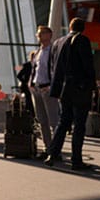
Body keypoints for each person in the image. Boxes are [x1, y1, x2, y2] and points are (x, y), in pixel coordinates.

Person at [44, 18, 95, 171]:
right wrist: (92, 86)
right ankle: (76, 160)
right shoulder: (82, 40)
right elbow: (88, 65)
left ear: (70, 27)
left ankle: (52, 153)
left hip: (63, 90)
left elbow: (51, 66)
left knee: (63, 121)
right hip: (79, 88)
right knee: (79, 124)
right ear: (83, 28)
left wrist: (56, 86)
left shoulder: (57, 42)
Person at [30, 25, 61, 157]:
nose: (39, 36)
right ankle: (47, 148)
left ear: (49, 35)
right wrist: (30, 84)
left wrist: (51, 86)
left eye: (41, 33)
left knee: (53, 120)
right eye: (39, 34)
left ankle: (56, 149)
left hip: (47, 87)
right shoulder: (38, 52)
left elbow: (57, 70)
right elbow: (34, 69)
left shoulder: (53, 51)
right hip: (36, 88)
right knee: (42, 120)